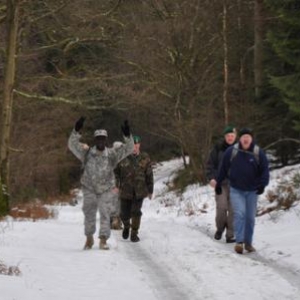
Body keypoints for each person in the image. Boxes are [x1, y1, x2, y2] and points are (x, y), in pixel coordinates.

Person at [68, 117, 134, 250]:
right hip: (89, 188)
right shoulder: (87, 153)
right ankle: (89, 239)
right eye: (98, 138)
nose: (101, 141)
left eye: (103, 138)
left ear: (106, 140)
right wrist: (76, 130)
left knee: (105, 213)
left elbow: (129, 149)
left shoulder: (112, 154)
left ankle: (103, 240)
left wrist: (127, 136)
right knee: (89, 213)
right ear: (95, 140)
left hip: (106, 189)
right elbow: (72, 145)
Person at [215, 128, 269, 254]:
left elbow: (265, 170)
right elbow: (223, 168)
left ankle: (248, 243)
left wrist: (262, 185)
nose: (246, 139)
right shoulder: (232, 151)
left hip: (252, 191)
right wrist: (218, 183)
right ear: (240, 139)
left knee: (250, 218)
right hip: (236, 189)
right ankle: (239, 242)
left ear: (251, 139)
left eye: (248, 137)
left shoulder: (258, 152)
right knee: (239, 214)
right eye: (243, 137)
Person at [114, 135, 153, 242]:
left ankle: (134, 234)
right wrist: (116, 185)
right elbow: (116, 173)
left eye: (136, 145)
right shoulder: (122, 157)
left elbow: (149, 175)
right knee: (124, 214)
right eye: (132, 145)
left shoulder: (145, 158)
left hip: (139, 191)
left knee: (136, 212)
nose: (134, 147)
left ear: (139, 145)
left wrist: (150, 190)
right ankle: (126, 226)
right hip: (125, 191)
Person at [206, 125, 237, 243]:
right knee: (222, 208)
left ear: (235, 136)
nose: (230, 138)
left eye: (232, 136)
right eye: (228, 136)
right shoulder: (218, 148)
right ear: (225, 137)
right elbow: (210, 165)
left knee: (234, 210)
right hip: (221, 184)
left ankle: (230, 234)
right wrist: (211, 178)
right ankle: (220, 229)